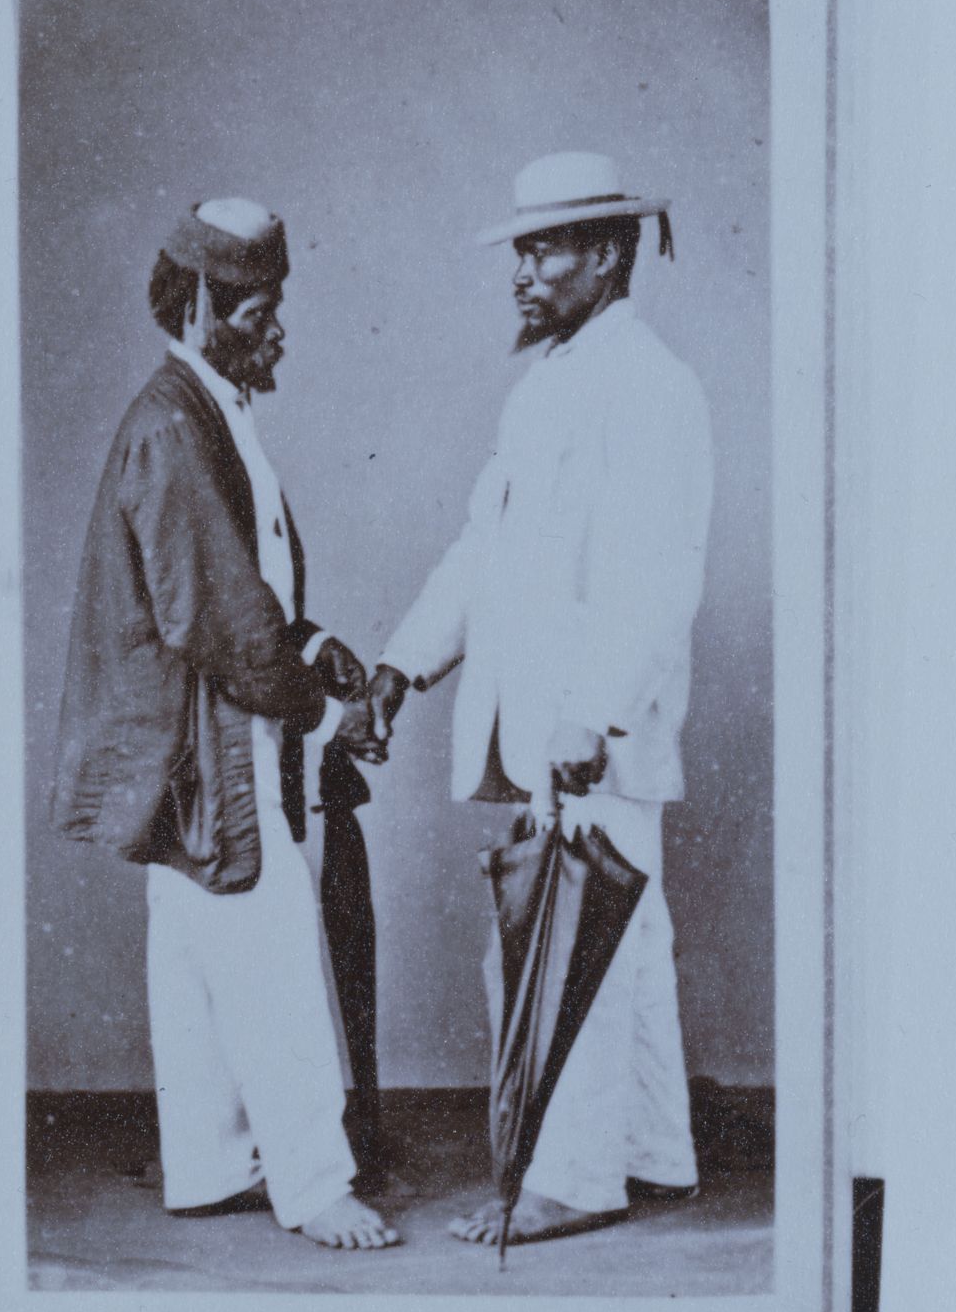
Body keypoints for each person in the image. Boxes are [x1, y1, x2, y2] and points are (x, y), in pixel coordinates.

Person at [369, 152, 713, 1246]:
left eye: (545, 248)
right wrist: (402, 665)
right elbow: (485, 554)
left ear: (608, 253)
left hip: (587, 729)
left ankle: (569, 1177)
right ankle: (654, 1154)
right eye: (518, 249)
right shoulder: (548, 383)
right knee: (627, 932)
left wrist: (593, 715)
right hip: (557, 723)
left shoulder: (649, 384)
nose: (522, 271)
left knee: (570, 937)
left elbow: (658, 574)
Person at [52, 196, 398, 1250]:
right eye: (255, 310)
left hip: (198, 730)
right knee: (267, 944)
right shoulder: (174, 420)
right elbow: (215, 613)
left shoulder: (207, 406)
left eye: (275, 306)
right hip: (207, 737)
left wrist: (312, 639)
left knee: (196, 952)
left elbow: (246, 588)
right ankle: (312, 1185)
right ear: (199, 304)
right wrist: (328, 707)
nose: (274, 329)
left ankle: (205, 1162)